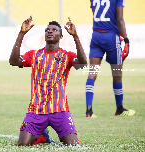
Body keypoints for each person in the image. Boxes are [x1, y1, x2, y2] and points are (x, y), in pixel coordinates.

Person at [9, 16, 87, 146]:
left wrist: (76, 36)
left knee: (73, 145)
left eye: (54, 30)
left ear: (61, 36)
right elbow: (13, 61)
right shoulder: (34, 55)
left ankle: (43, 133)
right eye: (47, 30)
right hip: (36, 111)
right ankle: (42, 136)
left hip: (60, 110)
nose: (50, 31)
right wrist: (22, 33)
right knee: (23, 144)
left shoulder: (66, 56)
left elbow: (83, 64)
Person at [85, 0, 136, 117]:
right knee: (117, 74)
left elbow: (93, 9)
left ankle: (89, 111)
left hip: (96, 35)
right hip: (111, 36)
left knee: (92, 73)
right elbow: (119, 19)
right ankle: (119, 109)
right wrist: (126, 40)